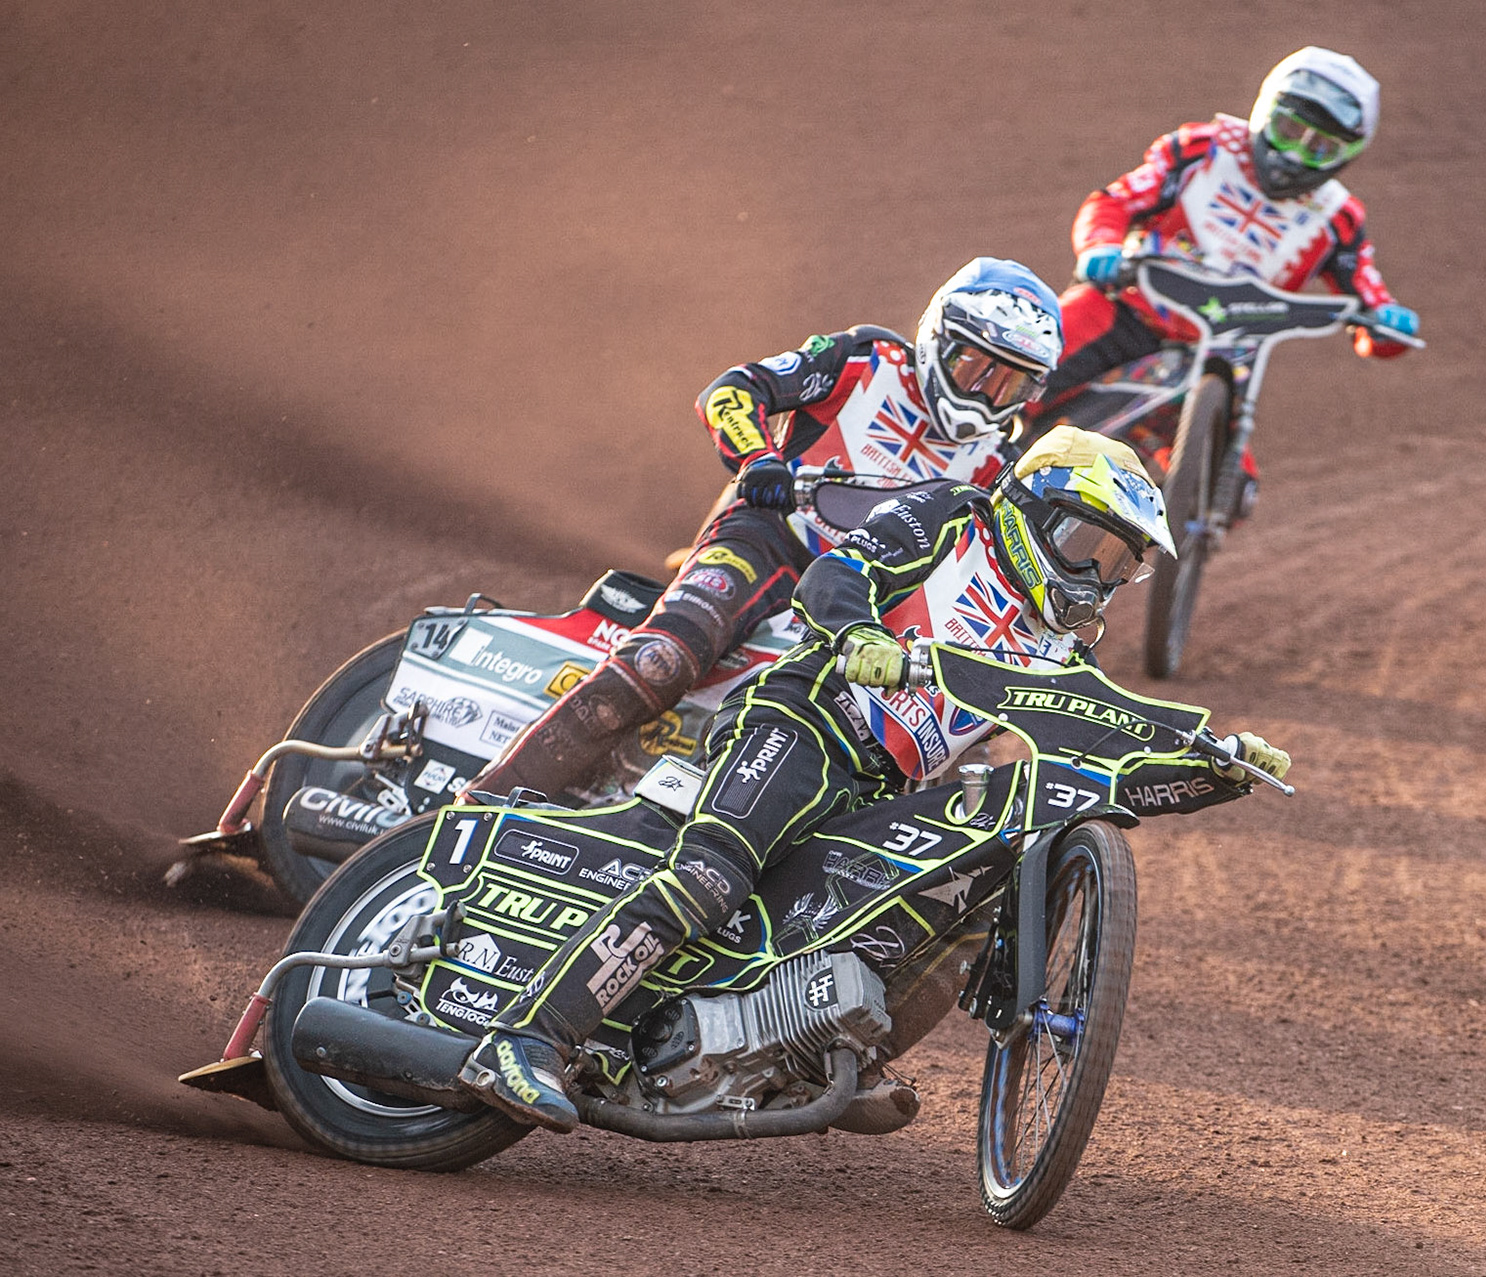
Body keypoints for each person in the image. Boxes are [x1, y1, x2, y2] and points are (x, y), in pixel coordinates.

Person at [456, 426, 1293, 1131]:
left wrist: (1214, 766)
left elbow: (1094, 751)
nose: (1098, 576)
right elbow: (834, 575)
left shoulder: (1067, 648)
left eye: (1120, 564)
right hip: (805, 718)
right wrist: (858, 632)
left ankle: (820, 1055)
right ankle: (525, 1037)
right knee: (711, 875)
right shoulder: (951, 518)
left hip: (881, 785)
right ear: (1037, 510)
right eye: (1089, 545)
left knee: (932, 901)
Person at [461, 257, 1065, 804]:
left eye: (1008, 382)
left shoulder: (1000, 469)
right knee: (662, 659)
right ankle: (478, 807)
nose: (986, 392)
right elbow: (731, 390)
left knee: (953, 751)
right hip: (770, 542)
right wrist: (758, 460)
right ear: (937, 338)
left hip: (863, 603)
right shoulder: (863, 360)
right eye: (973, 366)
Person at [1028, 47, 1419, 460]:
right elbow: (1114, 202)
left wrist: (1386, 324)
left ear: (1346, 156)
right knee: (1028, 357)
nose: (1292, 155)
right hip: (1129, 307)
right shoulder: (1202, 148)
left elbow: (1370, 298)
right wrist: (1100, 247)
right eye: (1288, 131)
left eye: (1318, 148)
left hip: (1220, 356)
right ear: (1265, 111)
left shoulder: (1338, 219)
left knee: (1237, 480)